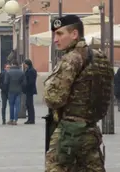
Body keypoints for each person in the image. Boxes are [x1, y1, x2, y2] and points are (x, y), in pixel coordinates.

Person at [43, 15, 114, 172]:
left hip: (69, 133)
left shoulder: (71, 59)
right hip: (91, 131)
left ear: (74, 34)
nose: (55, 39)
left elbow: (54, 98)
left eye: (60, 34)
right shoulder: (100, 57)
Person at [4, 60, 26, 125]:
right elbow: (24, 83)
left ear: (12, 64)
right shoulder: (22, 72)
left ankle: (11, 119)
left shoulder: (8, 72)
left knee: (11, 105)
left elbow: (6, 82)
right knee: (17, 105)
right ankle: (16, 120)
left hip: (11, 91)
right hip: (19, 91)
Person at [23, 59, 37, 124]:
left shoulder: (31, 71)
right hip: (29, 90)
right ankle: (30, 119)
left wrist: (26, 86)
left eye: (25, 64)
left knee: (29, 104)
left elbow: (30, 81)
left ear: (27, 64)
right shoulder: (30, 70)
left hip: (29, 90)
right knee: (28, 104)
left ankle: (31, 119)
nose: (24, 65)